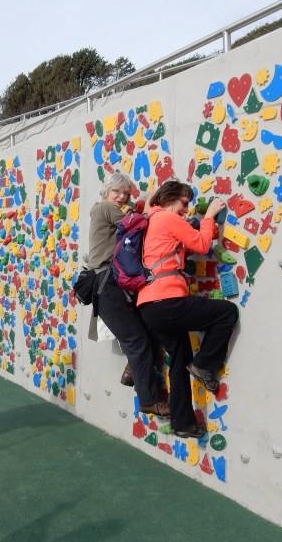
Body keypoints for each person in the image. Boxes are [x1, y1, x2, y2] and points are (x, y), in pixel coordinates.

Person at [136, 180, 239, 439]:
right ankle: (204, 364)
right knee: (226, 313)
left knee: (180, 360)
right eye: (184, 202)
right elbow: (203, 245)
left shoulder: (149, 220)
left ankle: (183, 424)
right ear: (170, 198)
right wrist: (211, 216)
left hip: (149, 307)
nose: (187, 208)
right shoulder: (166, 219)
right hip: (168, 301)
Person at [87, 173, 169, 417]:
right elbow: (136, 222)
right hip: (107, 284)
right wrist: (155, 197)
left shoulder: (109, 210)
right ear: (106, 191)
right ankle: (149, 400)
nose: (121, 197)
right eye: (117, 192)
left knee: (146, 328)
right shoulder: (105, 207)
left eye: (125, 193)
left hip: (115, 284)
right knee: (137, 340)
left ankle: (132, 371)